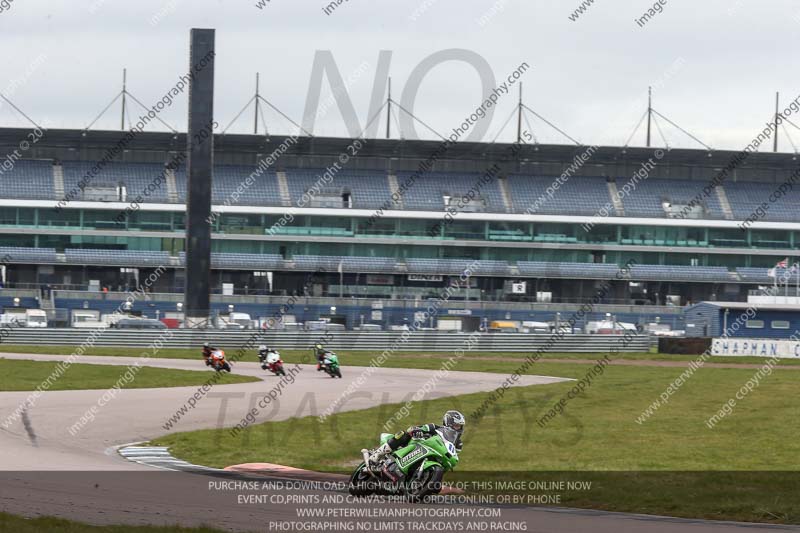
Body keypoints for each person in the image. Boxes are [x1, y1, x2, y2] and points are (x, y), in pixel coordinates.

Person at [365, 411, 465, 466]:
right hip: (416, 446)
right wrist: (417, 431)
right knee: (403, 434)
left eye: (460, 426)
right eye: (456, 425)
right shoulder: (434, 427)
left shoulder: (458, 444)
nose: (458, 428)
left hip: (433, 457)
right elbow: (415, 428)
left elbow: (452, 455)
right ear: (448, 422)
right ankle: (376, 455)